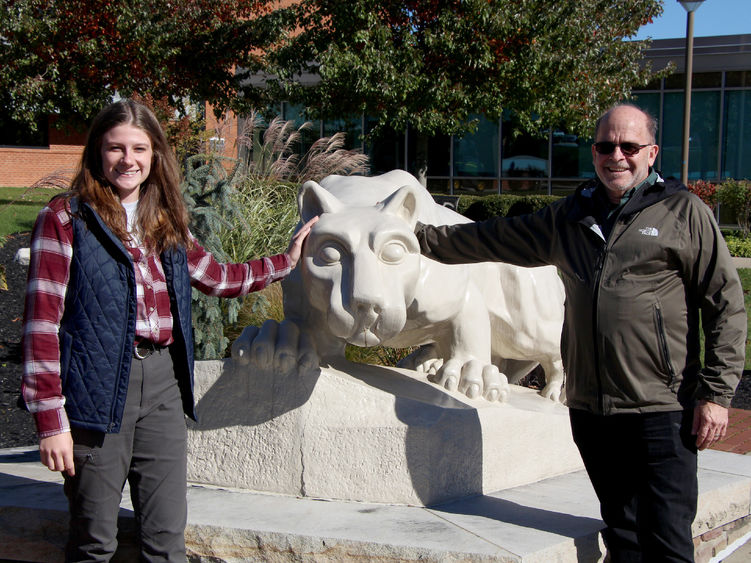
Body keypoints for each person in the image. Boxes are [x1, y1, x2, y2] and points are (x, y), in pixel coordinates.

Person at [414, 103, 746, 562]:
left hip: (662, 409)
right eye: (606, 146)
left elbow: (726, 306)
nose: (617, 156)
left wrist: (716, 393)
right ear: (593, 153)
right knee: (623, 534)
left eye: (629, 147)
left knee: (667, 541)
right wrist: (415, 238)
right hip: (592, 409)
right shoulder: (571, 216)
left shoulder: (682, 212)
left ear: (651, 153)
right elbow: (491, 237)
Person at [21, 99, 317, 562]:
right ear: (97, 152)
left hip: (163, 386)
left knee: (166, 543)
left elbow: (218, 277)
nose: (128, 159)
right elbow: (42, 323)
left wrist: (286, 261)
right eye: (116, 148)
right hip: (96, 392)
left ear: (154, 154)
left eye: (139, 148)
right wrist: (50, 419)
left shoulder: (167, 220)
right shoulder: (65, 219)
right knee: (93, 543)